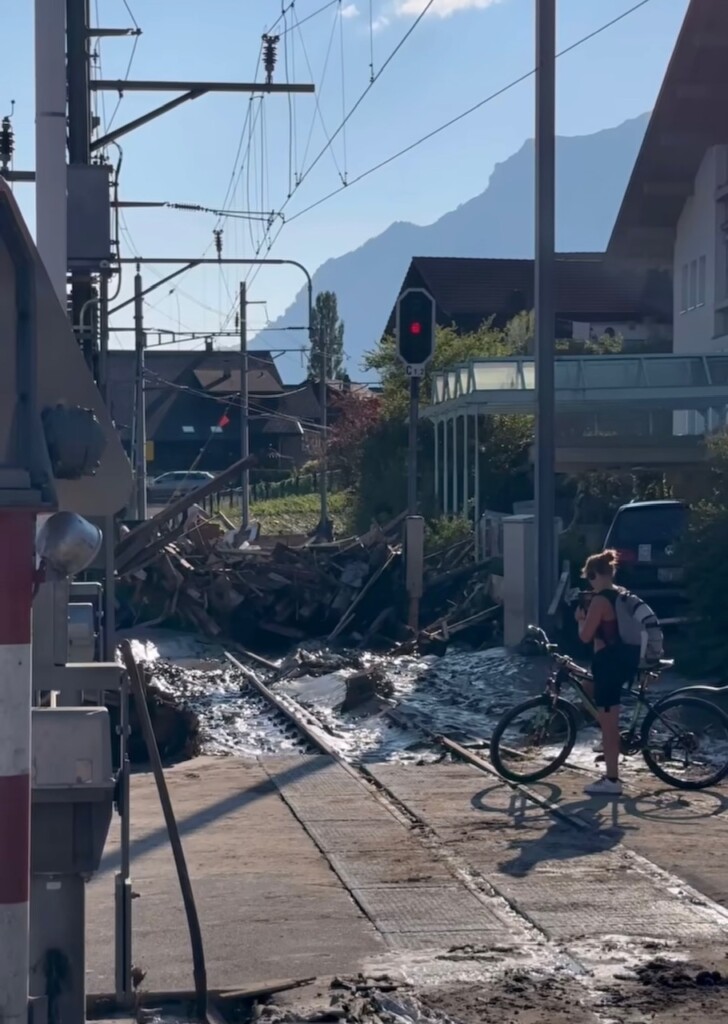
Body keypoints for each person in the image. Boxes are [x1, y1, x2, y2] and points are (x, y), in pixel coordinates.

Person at [575, 549, 638, 797]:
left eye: (590, 576)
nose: (589, 582)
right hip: (622, 661)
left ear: (597, 575)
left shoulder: (601, 601)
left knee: (609, 726)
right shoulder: (621, 594)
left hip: (609, 664)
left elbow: (585, 636)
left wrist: (580, 618)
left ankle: (612, 780)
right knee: (604, 717)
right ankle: (609, 762)